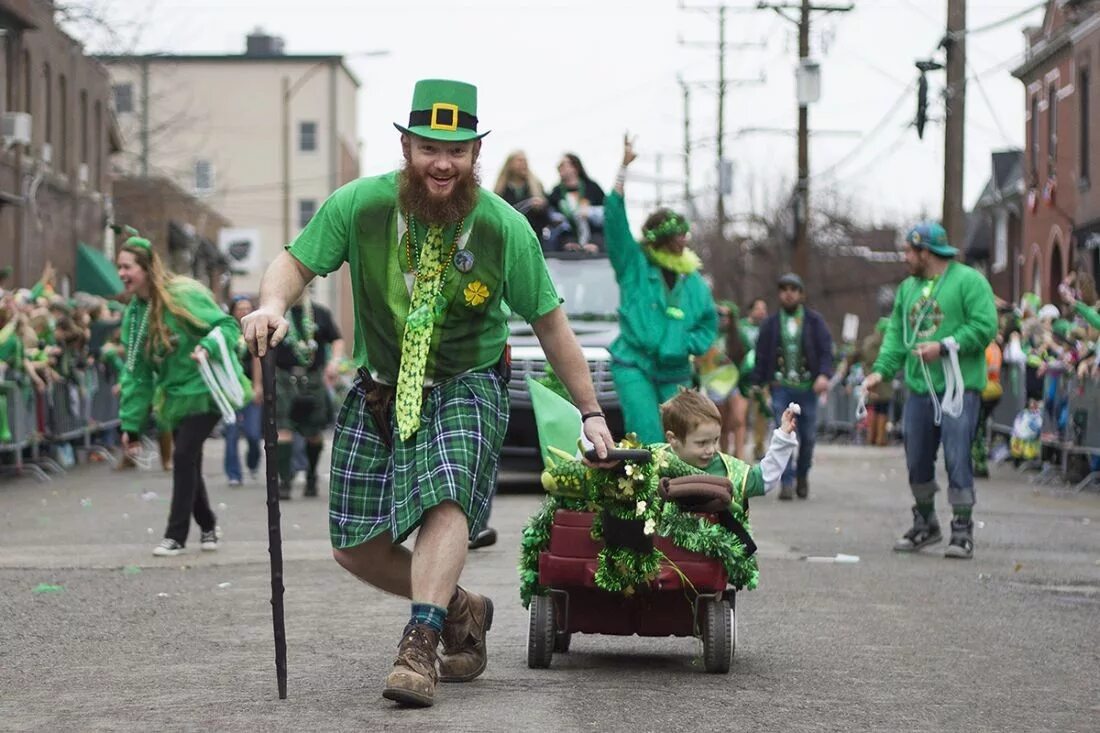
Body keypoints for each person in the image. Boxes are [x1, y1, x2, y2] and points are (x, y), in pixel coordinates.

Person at [241, 78, 614, 708]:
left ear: (475, 156)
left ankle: (419, 644)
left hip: (467, 384)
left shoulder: (502, 227)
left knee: (448, 498)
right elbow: (296, 263)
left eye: (458, 150)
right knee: (355, 547)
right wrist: (272, 304)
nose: (442, 163)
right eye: (429, 148)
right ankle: (458, 606)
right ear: (407, 147)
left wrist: (592, 411)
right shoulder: (361, 207)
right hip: (382, 387)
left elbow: (552, 325)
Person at [862, 221, 997, 560]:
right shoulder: (908, 289)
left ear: (926, 252)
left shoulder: (969, 281)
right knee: (917, 457)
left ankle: (962, 528)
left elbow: (985, 326)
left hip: (959, 389)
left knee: (956, 456)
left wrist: (945, 345)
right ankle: (925, 523)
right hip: (919, 388)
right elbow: (896, 334)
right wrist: (880, 371)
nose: (905, 257)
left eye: (910, 250)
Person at [116, 236, 251, 557]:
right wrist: (131, 426)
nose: (121, 273)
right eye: (118, 267)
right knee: (188, 460)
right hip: (175, 397)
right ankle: (208, 524)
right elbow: (136, 376)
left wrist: (208, 345)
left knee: (183, 455)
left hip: (208, 390)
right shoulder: (135, 317)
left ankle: (175, 535)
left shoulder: (183, 295)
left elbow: (228, 325)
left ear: (146, 268)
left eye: (127, 267)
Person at [605, 133, 718, 444]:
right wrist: (623, 169)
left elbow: (709, 322)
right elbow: (614, 222)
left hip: (676, 371)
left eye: (685, 236)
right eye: (675, 237)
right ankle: (648, 492)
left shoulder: (693, 281)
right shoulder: (634, 265)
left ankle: (678, 492)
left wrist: (685, 342)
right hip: (634, 364)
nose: (683, 241)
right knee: (648, 434)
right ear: (660, 240)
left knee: (681, 439)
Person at [751, 273, 833, 500]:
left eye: (793, 289)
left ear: (801, 294)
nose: (788, 293)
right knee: (783, 433)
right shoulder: (771, 324)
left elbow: (827, 350)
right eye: (784, 289)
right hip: (781, 386)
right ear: (780, 294)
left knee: (808, 437)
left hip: (808, 388)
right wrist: (757, 383)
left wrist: (824, 375)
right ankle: (786, 481)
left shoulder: (814, 321)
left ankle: (802, 474)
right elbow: (761, 354)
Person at [270, 294, 344, 500]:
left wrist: (334, 362)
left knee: (314, 432)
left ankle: (311, 476)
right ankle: (284, 481)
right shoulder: (277, 315)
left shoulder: (319, 314)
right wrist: (260, 383)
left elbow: (336, 339)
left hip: (312, 378)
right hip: (284, 377)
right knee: (283, 429)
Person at [224, 295, 262, 487]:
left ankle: (253, 462)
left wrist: (258, 386)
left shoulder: (253, 330)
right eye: (240, 308)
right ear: (233, 311)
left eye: (247, 308)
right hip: (230, 390)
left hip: (248, 388)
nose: (244, 311)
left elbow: (256, 359)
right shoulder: (225, 332)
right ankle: (233, 474)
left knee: (253, 433)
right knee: (231, 433)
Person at [545, 152, 605, 253]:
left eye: (565, 164)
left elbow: (607, 212)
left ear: (575, 167)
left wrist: (590, 212)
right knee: (567, 246)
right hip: (568, 236)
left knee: (595, 245)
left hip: (594, 234)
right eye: (560, 165)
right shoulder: (556, 191)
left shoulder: (592, 187)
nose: (561, 168)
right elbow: (550, 214)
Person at [493, 150, 551, 240]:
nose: (524, 164)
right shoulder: (501, 190)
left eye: (525, 161)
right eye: (519, 160)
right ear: (510, 164)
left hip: (533, 237)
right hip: (509, 237)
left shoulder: (536, 186)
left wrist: (541, 208)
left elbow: (546, 219)